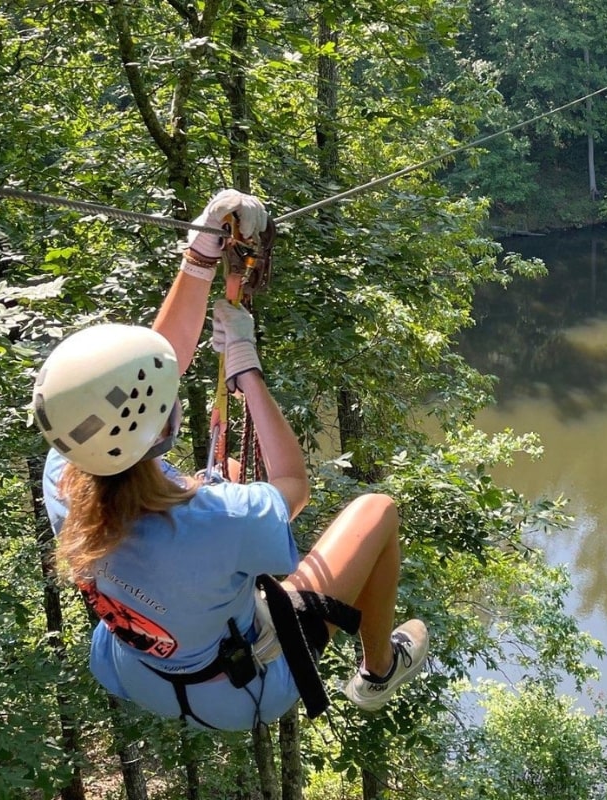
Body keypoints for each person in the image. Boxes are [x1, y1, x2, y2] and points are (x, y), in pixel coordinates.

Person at [32, 189, 429, 730]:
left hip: (138, 670)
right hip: (241, 690)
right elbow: (294, 483)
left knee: (234, 476)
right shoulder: (216, 521)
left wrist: (200, 257)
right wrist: (247, 370)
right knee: (378, 508)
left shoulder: (64, 475)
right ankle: (379, 671)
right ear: (164, 424)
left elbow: (149, 372)